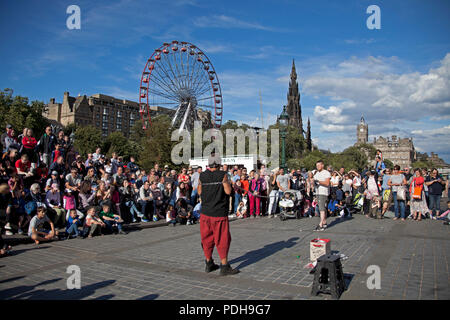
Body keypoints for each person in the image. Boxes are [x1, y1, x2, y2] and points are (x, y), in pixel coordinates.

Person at [198, 153, 239, 275]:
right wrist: (229, 184)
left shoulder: (202, 176)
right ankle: (224, 265)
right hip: (219, 212)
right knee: (222, 239)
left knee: (207, 238)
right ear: (219, 164)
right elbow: (227, 191)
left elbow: (199, 191)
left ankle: (209, 262)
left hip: (205, 212)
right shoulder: (223, 175)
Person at [313, 160, 331, 231]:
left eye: (319, 165)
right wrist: (313, 183)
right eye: (316, 165)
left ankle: (321, 224)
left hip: (323, 192)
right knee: (322, 207)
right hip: (317, 192)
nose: (317, 167)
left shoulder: (326, 173)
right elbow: (314, 182)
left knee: (321, 208)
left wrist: (319, 182)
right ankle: (324, 222)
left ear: (322, 165)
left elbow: (327, 183)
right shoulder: (316, 173)